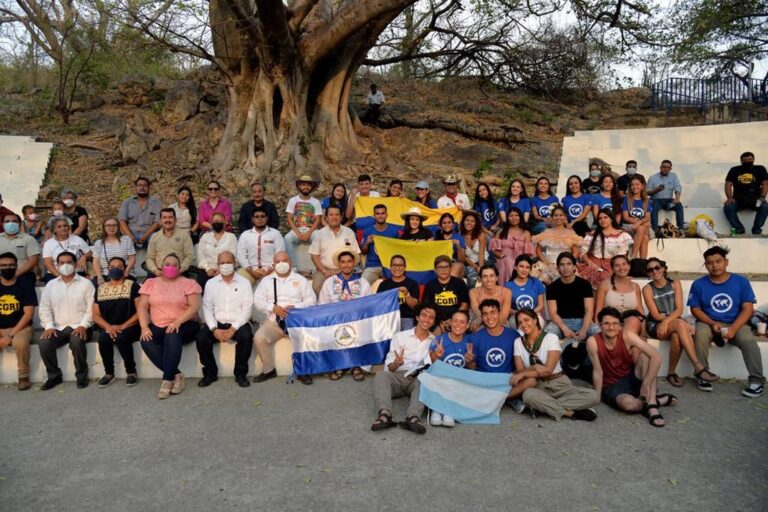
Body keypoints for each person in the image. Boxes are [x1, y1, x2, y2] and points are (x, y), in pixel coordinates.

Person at [688, 246, 765, 397]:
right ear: (705, 265)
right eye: (710, 263)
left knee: (748, 340)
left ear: (726, 262)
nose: (714, 265)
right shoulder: (698, 284)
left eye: (718, 261)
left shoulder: (741, 281)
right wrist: (711, 323)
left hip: (736, 321)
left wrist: (734, 329)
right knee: (701, 333)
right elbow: (695, 309)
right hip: (709, 321)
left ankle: (756, 381)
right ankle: (703, 374)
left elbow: (748, 309)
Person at [587, 307, 675, 428]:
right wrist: (597, 396)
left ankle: (652, 405)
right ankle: (656, 400)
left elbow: (656, 357)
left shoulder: (627, 336)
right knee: (630, 406)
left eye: (615, 323)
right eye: (606, 323)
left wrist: (646, 383)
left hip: (632, 377)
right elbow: (598, 371)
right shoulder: (593, 342)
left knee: (646, 356)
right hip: (612, 386)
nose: (611, 327)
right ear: (600, 325)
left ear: (620, 325)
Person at [642, 257, 719, 388]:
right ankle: (698, 367)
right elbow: (655, 314)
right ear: (648, 274)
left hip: (672, 321)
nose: (654, 271)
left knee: (677, 336)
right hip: (656, 325)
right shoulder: (647, 289)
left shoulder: (675, 283)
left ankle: (671, 373)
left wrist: (669, 321)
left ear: (664, 269)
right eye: (650, 270)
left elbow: (679, 309)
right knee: (679, 324)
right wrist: (666, 322)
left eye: (657, 267)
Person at [513, 309, 599, 421]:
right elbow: (520, 371)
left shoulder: (550, 338)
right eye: (519, 322)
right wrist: (535, 367)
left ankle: (542, 407)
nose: (523, 325)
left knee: (594, 396)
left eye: (526, 320)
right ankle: (570, 413)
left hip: (559, 382)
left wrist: (527, 372)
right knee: (528, 395)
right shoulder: (518, 342)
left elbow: (548, 370)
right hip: (539, 386)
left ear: (535, 320)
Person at [138, 253, 202, 399]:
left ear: (180, 268)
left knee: (172, 334)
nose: (170, 267)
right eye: (167, 264)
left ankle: (167, 380)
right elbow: (142, 306)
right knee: (146, 340)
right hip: (159, 324)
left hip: (185, 324)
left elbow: (194, 306)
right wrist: (144, 327)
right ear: (161, 266)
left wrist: (177, 322)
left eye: (174, 265)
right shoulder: (151, 283)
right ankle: (177, 375)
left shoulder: (188, 283)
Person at [371, 304, 436, 435]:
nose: (426, 320)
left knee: (425, 379)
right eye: (424, 315)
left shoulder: (434, 341)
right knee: (380, 375)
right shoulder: (401, 336)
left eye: (431, 317)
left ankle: (413, 417)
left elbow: (431, 366)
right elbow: (389, 366)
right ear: (417, 317)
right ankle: (385, 414)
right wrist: (396, 363)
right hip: (398, 376)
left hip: (417, 379)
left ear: (434, 322)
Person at [253, 251, 316, 384]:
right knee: (259, 338)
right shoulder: (266, 281)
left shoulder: (300, 280)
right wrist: (273, 308)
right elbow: (258, 301)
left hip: (295, 321)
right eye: (278, 261)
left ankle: (302, 371)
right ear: (273, 264)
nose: (281, 264)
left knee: (304, 339)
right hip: (273, 323)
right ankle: (268, 370)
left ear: (291, 262)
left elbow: (312, 300)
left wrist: (296, 307)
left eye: (285, 260)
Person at [37, 251, 95, 390]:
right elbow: (45, 308)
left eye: (69, 262)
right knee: (44, 342)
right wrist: (49, 326)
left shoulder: (86, 283)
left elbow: (92, 308)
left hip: (81, 326)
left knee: (76, 340)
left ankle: (81, 376)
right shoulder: (51, 285)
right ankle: (54, 376)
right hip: (58, 328)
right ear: (57, 265)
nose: (65, 265)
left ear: (75, 264)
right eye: (62, 263)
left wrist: (83, 325)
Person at [196, 251, 254, 388]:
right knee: (201, 338)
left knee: (246, 336)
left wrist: (233, 328)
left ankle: (240, 374)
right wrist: (213, 329)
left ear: (235, 264)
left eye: (229, 262)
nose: (225, 265)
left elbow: (247, 309)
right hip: (217, 322)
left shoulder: (244, 283)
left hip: (238, 322)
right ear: (217, 265)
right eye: (222, 263)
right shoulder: (211, 283)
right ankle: (210, 373)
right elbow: (207, 308)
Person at [318, 249, 372, 382]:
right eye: (343, 262)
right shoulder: (329, 282)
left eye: (349, 261)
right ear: (339, 264)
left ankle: (356, 366)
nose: (346, 265)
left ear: (354, 263)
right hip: (334, 320)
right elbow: (322, 305)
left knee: (361, 330)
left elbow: (369, 305)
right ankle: (337, 365)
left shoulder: (363, 282)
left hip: (356, 320)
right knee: (331, 331)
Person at [545, 252, 599, 381]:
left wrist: (585, 328)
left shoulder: (584, 284)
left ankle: (588, 366)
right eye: (562, 265)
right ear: (557, 268)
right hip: (561, 322)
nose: (566, 267)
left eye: (569, 264)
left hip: (583, 321)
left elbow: (589, 309)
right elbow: (553, 313)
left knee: (599, 333)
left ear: (575, 266)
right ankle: (556, 369)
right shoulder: (552, 287)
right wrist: (564, 329)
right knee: (547, 335)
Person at [91, 257, 141, 388]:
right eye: (112, 266)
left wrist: (123, 326)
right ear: (108, 269)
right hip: (108, 327)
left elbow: (141, 311)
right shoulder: (100, 289)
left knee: (122, 337)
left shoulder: (133, 286)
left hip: (130, 326)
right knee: (103, 339)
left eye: (119, 266)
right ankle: (109, 373)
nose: (115, 269)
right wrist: (108, 327)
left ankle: (131, 371)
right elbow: (95, 315)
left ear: (125, 269)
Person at [428, 310, 473, 427]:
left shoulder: (471, 341)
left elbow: (473, 369)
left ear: (467, 325)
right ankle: (437, 409)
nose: (458, 325)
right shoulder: (438, 340)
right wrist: (436, 355)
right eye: (455, 321)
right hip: (440, 379)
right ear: (450, 323)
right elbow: (429, 364)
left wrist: (469, 361)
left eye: (462, 322)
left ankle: (449, 410)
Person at [0, 252, 36, 390]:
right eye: (3, 265)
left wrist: (10, 335)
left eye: (10, 265)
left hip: (22, 328)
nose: (7, 268)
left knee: (20, 343)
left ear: (16, 266)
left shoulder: (25, 285)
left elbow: (28, 314)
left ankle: (23, 377)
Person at [310, 205, 361, 294]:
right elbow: (314, 255)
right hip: (324, 270)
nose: (334, 217)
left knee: (348, 291)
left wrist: (341, 270)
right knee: (316, 285)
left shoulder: (349, 232)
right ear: (326, 218)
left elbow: (356, 254)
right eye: (331, 215)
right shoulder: (320, 233)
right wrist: (324, 271)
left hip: (345, 269)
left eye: (337, 215)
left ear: (341, 217)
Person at [577, 209, 633, 289]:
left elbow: (623, 255)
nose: (602, 220)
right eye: (600, 218)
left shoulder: (621, 235)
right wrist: (590, 263)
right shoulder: (592, 234)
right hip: (593, 264)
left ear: (611, 219)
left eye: (605, 217)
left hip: (613, 265)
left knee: (607, 280)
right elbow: (583, 252)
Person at [594, 255, 644, 339]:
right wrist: (598, 328)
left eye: (624, 264)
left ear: (629, 266)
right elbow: (598, 310)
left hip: (632, 324)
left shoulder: (635, 286)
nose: (621, 268)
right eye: (617, 265)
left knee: (633, 321)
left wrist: (643, 333)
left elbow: (640, 311)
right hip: (611, 323)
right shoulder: (604, 285)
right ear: (612, 269)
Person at [236, 205, 285, 287]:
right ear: (252, 219)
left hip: (271, 270)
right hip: (250, 270)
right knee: (238, 284)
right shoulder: (245, 235)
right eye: (256, 217)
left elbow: (280, 255)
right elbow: (241, 256)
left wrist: (267, 272)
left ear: (267, 218)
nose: (259, 219)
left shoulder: (275, 234)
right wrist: (252, 272)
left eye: (262, 216)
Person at [532, 204, 582, 285]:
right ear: (552, 217)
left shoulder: (571, 233)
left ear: (565, 217)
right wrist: (547, 263)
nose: (558, 217)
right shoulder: (546, 232)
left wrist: (567, 263)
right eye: (555, 215)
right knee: (543, 280)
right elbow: (538, 250)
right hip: (548, 263)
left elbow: (575, 252)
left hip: (566, 264)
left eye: (561, 215)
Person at [723, 151, 768, 234]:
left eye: (750, 159)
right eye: (745, 160)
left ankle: (756, 229)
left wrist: (762, 197)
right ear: (741, 161)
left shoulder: (760, 169)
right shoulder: (734, 170)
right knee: (728, 207)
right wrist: (730, 198)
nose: (747, 161)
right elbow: (728, 185)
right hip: (738, 199)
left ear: (754, 159)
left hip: (755, 199)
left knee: (764, 206)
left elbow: (765, 184)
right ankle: (739, 228)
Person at [423, 254, 470, 333]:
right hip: (436, 321)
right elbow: (427, 307)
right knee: (434, 332)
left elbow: (464, 305)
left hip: (456, 320)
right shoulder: (430, 285)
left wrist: (452, 319)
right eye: (440, 267)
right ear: (435, 270)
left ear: (451, 268)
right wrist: (437, 321)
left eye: (446, 267)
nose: (443, 270)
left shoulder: (459, 283)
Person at [285, 174, 322, 265]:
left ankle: (316, 265)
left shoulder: (316, 202)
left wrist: (309, 233)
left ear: (312, 187)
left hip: (311, 230)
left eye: (308, 185)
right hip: (297, 229)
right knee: (287, 238)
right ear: (299, 186)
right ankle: (293, 266)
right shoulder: (293, 200)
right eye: (304, 184)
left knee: (318, 236)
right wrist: (297, 232)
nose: (306, 187)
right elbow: (289, 218)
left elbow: (317, 220)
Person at [145, 208, 194, 277]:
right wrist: (155, 270)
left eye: (170, 217)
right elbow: (149, 258)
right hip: (159, 272)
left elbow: (189, 256)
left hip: (179, 271)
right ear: (160, 221)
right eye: (164, 217)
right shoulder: (155, 237)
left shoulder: (184, 235)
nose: (167, 220)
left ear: (175, 220)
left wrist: (180, 270)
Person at [490, 207, 534, 284]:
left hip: (521, 262)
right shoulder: (502, 231)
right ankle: (507, 287)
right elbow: (494, 249)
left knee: (516, 264)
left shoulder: (526, 233)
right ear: (507, 218)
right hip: (503, 260)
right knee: (508, 261)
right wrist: (502, 256)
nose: (514, 218)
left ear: (520, 217)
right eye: (511, 216)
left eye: (516, 215)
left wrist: (520, 261)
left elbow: (528, 254)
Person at [376, 255, 420, 330]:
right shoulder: (383, 285)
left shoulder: (413, 284)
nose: (397, 268)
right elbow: (379, 305)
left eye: (400, 265)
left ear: (405, 267)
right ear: (390, 267)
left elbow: (415, 307)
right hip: (389, 318)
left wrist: (406, 295)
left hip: (406, 318)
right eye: (394, 265)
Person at [197, 211, 238, 289]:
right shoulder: (205, 237)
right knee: (201, 283)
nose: (217, 223)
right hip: (207, 270)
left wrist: (221, 270)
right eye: (215, 221)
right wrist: (207, 269)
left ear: (225, 222)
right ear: (211, 223)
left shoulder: (231, 237)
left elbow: (233, 255)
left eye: (219, 221)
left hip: (226, 269)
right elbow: (201, 255)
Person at [41, 217, 90, 282]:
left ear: (68, 227)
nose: (63, 228)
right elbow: (48, 263)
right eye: (59, 227)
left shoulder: (77, 239)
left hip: (77, 273)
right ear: (54, 230)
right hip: (55, 274)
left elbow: (90, 253)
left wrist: (84, 256)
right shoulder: (49, 243)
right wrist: (60, 277)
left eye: (65, 226)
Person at [360, 203, 400, 284]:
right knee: (361, 285)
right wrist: (367, 243)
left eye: (382, 213)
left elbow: (399, 249)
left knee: (396, 285)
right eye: (377, 213)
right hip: (373, 265)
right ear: (374, 215)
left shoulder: (394, 231)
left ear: (386, 215)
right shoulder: (368, 231)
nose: (380, 216)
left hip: (389, 265)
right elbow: (363, 252)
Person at [118, 176, 162, 249]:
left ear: (149, 188)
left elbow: (157, 222)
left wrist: (145, 235)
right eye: (139, 185)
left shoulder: (156, 202)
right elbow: (122, 221)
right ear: (136, 187)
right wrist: (130, 236)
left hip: (149, 233)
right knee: (124, 241)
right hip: (130, 232)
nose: (142, 187)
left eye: (145, 185)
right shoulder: (127, 202)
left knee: (157, 239)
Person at [91, 217, 136, 284]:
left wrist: (126, 272)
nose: (112, 228)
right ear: (104, 228)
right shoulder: (98, 243)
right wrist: (99, 276)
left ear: (118, 227)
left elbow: (132, 258)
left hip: (123, 273)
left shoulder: (126, 239)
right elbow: (96, 261)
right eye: (108, 225)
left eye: (114, 225)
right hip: (105, 274)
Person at [0, 212, 40, 287]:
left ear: (20, 224)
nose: (11, 223)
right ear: (2, 224)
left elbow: (33, 261)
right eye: (7, 221)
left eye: (14, 221)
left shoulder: (29, 239)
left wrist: (15, 275)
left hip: (23, 274)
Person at [469, 264, 512, 330]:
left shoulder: (506, 292)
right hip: (480, 319)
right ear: (480, 278)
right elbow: (478, 313)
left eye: (492, 276)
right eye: (485, 277)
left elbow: (503, 317)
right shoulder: (473, 292)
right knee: (478, 327)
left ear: (497, 278)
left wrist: (492, 326)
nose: (488, 280)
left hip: (500, 321)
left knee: (503, 329)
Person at [505, 255, 545, 324]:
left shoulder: (536, 282)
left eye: (527, 267)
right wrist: (519, 314)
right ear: (515, 267)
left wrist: (529, 314)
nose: (524, 270)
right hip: (515, 316)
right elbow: (506, 307)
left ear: (530, 269)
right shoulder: (508, 285)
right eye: (521, 266)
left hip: (534, 315)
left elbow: (541, 305)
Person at [646, 159, 684, 231]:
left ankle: (681, 228)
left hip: (669, 200)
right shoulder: (653, 177)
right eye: (663, 167)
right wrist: (656, 190)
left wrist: (677, 198)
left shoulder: (674, 176)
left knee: (679, 205)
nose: (665, 169)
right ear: (660, 167)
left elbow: (677, 187)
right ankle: (655, 229)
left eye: (667, 167)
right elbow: (647, 192)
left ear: (670, 169)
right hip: (656, 200)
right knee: (653, 207)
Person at [621, 175, 652, 259]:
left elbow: (647, 217)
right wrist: (637, 223)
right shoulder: (627, 199)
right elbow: (625, 217)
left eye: (637, 184)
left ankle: (637, 259)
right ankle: (638, 259)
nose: (635, 187)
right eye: (632, 185)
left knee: (642, 229)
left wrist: (638, 222)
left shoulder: (646, 200)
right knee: (644, 237)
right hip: (629, 226)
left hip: (641, 226)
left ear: (642, 186)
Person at [459, 210, 487, 287]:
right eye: (467, 220)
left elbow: (481, 254)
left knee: (484, 275)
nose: (469, 223)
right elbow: (464, 256)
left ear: (476, 223)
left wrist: (480, 269)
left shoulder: (481, 234)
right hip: (468, 262)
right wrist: (475, 267)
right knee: (472, 276)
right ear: (463, 221)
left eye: (472, 221)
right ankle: (469, 296)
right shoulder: (460, 235)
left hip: (483, 261)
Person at [433, 212, 465, 278]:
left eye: (449, 222)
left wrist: (458, 247)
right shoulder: (436, 237)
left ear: (453, 224)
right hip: (440, 263)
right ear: (440, 225)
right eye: (444, 223)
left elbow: (462, 260)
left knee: (455, 269)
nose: (447, 225)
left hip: (454, 264)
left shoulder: (458, 237)